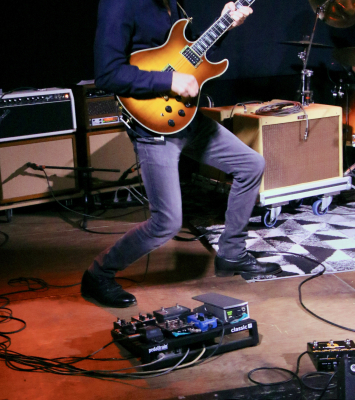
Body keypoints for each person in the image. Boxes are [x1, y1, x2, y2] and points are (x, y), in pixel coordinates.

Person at [81, 0, 282, 308]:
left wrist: (225, 24)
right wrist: (169, 80)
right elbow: (108, 74)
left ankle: (231, 254)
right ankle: (98, 275)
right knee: (167, 223)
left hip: (185, 118)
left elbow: (188, 53)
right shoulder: (120, 3)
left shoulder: (172, 3)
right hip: (153, 126)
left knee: (251, 164)